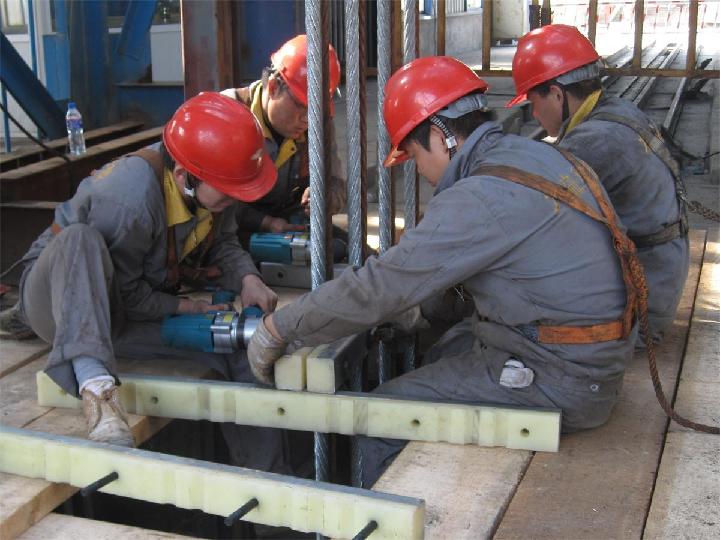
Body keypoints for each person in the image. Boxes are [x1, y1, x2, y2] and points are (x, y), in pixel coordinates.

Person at [246, 56, 639, 487]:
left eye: (414, 155)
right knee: (440, 349)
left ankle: (396, 517)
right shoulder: (532, 156)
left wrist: (279, 328)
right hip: (587, 358)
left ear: (440, 134)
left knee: (378, 416)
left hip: (563, 378)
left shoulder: (479, 196)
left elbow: (381, 286)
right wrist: (422, 312)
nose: (420, 172)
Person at [17, 93, 279, 449]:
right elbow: (126, 296)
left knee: (234, 346)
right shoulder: (131, 199)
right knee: (81, 239)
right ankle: (96, 388)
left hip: (122, 313)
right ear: (184, 177)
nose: (236, 199)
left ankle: (264, 474)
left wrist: (249, 279)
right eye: (229, 192)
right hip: (59, 304)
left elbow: (224, 241)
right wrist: (186, 307)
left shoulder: (212, 183)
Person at [508, 24, 689, 342]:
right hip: (658, 276)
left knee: (509, 317)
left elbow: (535, 219)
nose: (533, 114)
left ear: (557, 94)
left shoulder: (595, 142)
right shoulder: (616, 111)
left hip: (642, 311)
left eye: (533, 102)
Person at [220, 34, 346, 240]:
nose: (308, 119)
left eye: (316, 110)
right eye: (301, 106)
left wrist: (325, 198)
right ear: (273, 87)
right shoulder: (226, 114)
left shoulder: (317, 123)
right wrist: (265, 223)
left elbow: (337, 183)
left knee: (355, 251)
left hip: (290, 222)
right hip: (232, 232)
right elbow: (215, 200)